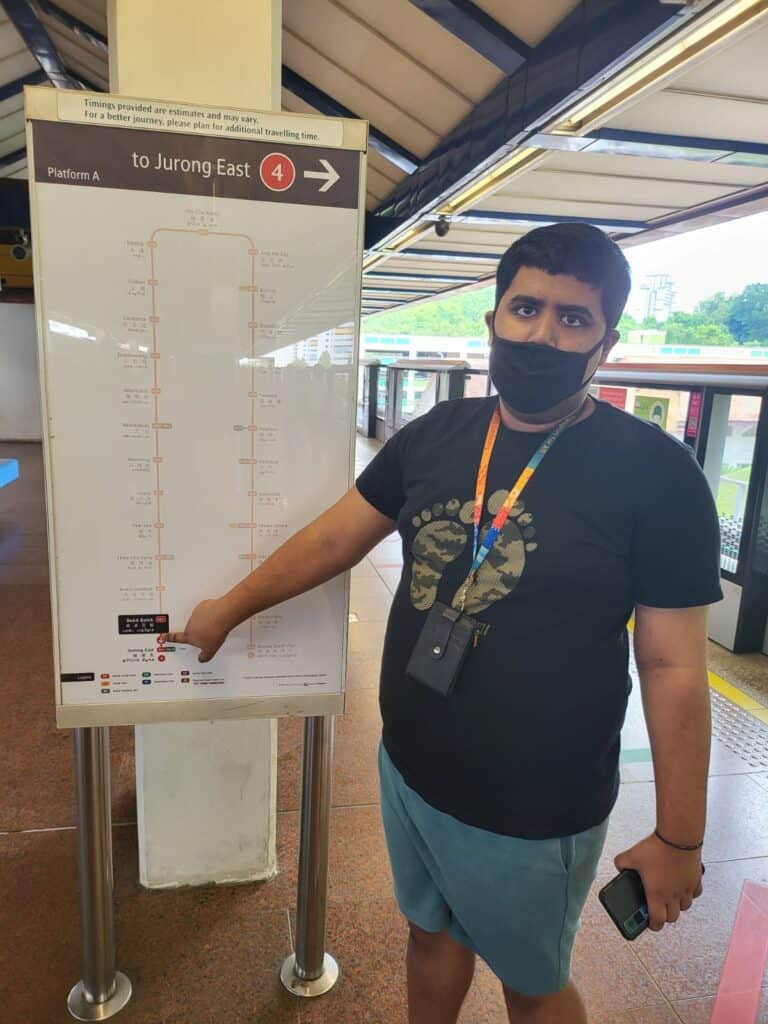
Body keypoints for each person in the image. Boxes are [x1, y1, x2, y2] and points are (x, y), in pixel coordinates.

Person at [161, 223, 722, 1024]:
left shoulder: (657, 475)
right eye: (525, 308)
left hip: (535, 806)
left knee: (532, 985)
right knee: (429, 939)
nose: (542, 333)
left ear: (607, 341)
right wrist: (227, 609)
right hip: (412, 769)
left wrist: (680, 838)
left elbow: (671, 666)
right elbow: (334, 538)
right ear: (492, 318)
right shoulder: (435, 435)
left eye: (573, 318)